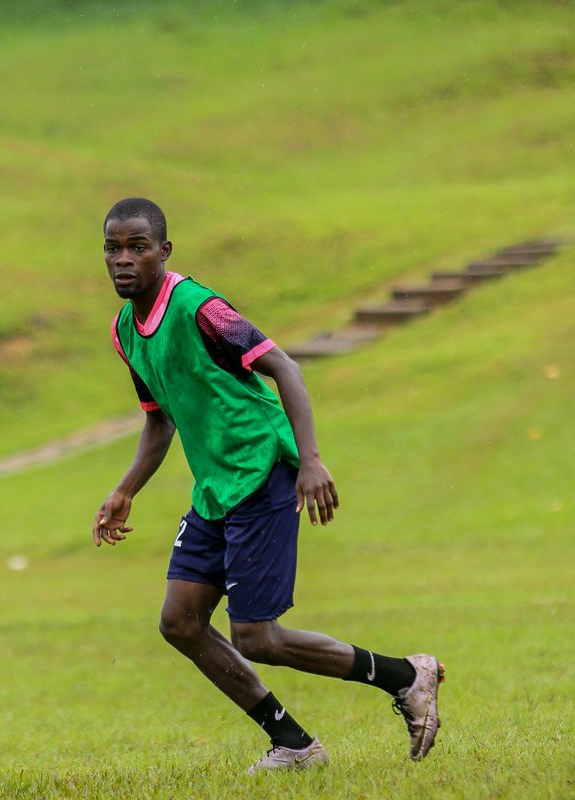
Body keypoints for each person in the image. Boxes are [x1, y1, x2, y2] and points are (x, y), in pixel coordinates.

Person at [91, 197, 443, 772]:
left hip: (261, 473)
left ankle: (407, 675)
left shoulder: (201, 308)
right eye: (113, 248)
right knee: (180, 622)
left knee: (258, 637)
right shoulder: (125, 331)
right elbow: (159, 418)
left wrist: (310, 460)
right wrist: (127, 488)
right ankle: (295, 745)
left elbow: (285, 367)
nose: (123, 259)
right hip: (215, 490)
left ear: (163, 251)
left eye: (137, 247)